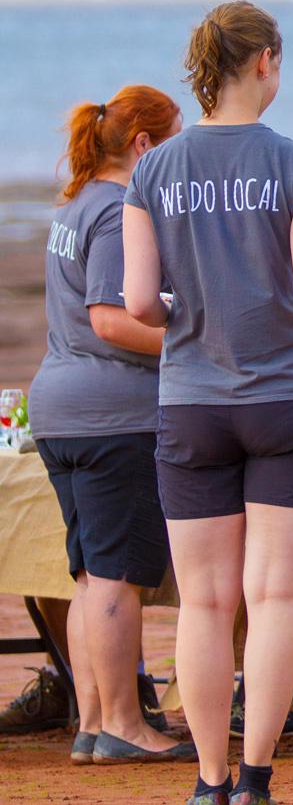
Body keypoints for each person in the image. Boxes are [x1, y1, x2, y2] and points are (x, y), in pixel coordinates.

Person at [123, 1, 293, 805]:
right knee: (275, 596)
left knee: (204, 603)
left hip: (191, 400)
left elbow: (137, 303)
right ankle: (255, 780)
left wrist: (192, 304)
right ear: (266, 63)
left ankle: (206, 779)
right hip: (288, 397)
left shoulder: (153, 170)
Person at [27, 85, 193, 766]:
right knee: (118, 574)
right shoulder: (119, 210)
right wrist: (196, 338)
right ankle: (124, 722)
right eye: (176, 141)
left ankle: (95, 723)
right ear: (146, 146)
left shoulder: (73, 204)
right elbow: (108, 315)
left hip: (61, 408)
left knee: (92, 576)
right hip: (112, 414)